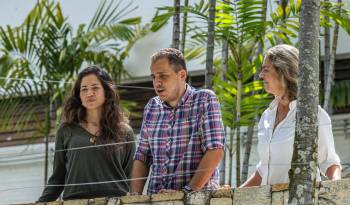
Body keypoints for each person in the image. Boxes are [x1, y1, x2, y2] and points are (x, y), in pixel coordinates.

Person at [240, 44, 341, 187]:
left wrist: (337, 191)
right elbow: (262, 171)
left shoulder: (312, 114)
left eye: (266, 70)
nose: (261, 75)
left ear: (284, 72)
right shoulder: (266, 117)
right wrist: (234, 195)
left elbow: (330, 163)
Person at [130, 48, 226, 195]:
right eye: (154, 77)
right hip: (156, 200)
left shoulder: (204, 100)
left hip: (197, 200)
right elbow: (142, 156)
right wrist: (135, 197)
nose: (157, 83)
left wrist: (186, 193)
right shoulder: (151, 107)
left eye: (163, 76)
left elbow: (215, 150)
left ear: (181, 75)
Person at [37, 66, 135, 202]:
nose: (89, 93)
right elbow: (57, 178)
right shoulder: (66, 130)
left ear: (106, 92)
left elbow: (132, 179)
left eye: (95, 88)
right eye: (84, 89)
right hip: (74, 202)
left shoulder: (125, 132)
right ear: (78, 95)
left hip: (114, 202)